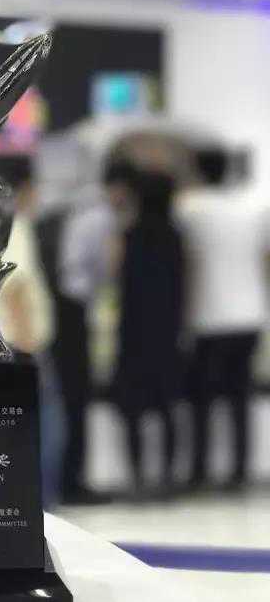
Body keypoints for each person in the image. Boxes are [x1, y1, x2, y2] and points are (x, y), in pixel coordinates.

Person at [178, 147, 270, 490]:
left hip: (208, 317)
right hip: (249, 315)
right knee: (239, 398)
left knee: (201, 400)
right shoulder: (252, 209)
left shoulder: (190, 207)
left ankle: (199, 471)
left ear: (197, 171)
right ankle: (239, 472)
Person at [55, 159, 136, 504]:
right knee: (77, 396)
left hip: (67, 308)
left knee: (72, 397)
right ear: (121, 188)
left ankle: (71, 479)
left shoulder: (82, 210)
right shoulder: (103, 218)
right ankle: (74, 482)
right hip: (76, 311)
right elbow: (107, 269)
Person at [0, 155, 64, 508]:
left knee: (16, 430)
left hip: (0, 344)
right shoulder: (15, 226)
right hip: (19, 345)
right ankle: (41, 505)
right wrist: (26, 344)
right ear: (25, 189)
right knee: (47, 426)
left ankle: (21, 503)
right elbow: (15, 284)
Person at [114, 170, 185, 497]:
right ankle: (168, 476)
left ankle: (137, 477)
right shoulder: (175, 237)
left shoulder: (129, 235)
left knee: (134, 410)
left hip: (134, 332)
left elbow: (121, 285)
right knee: (168, 408)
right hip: (167, 333)